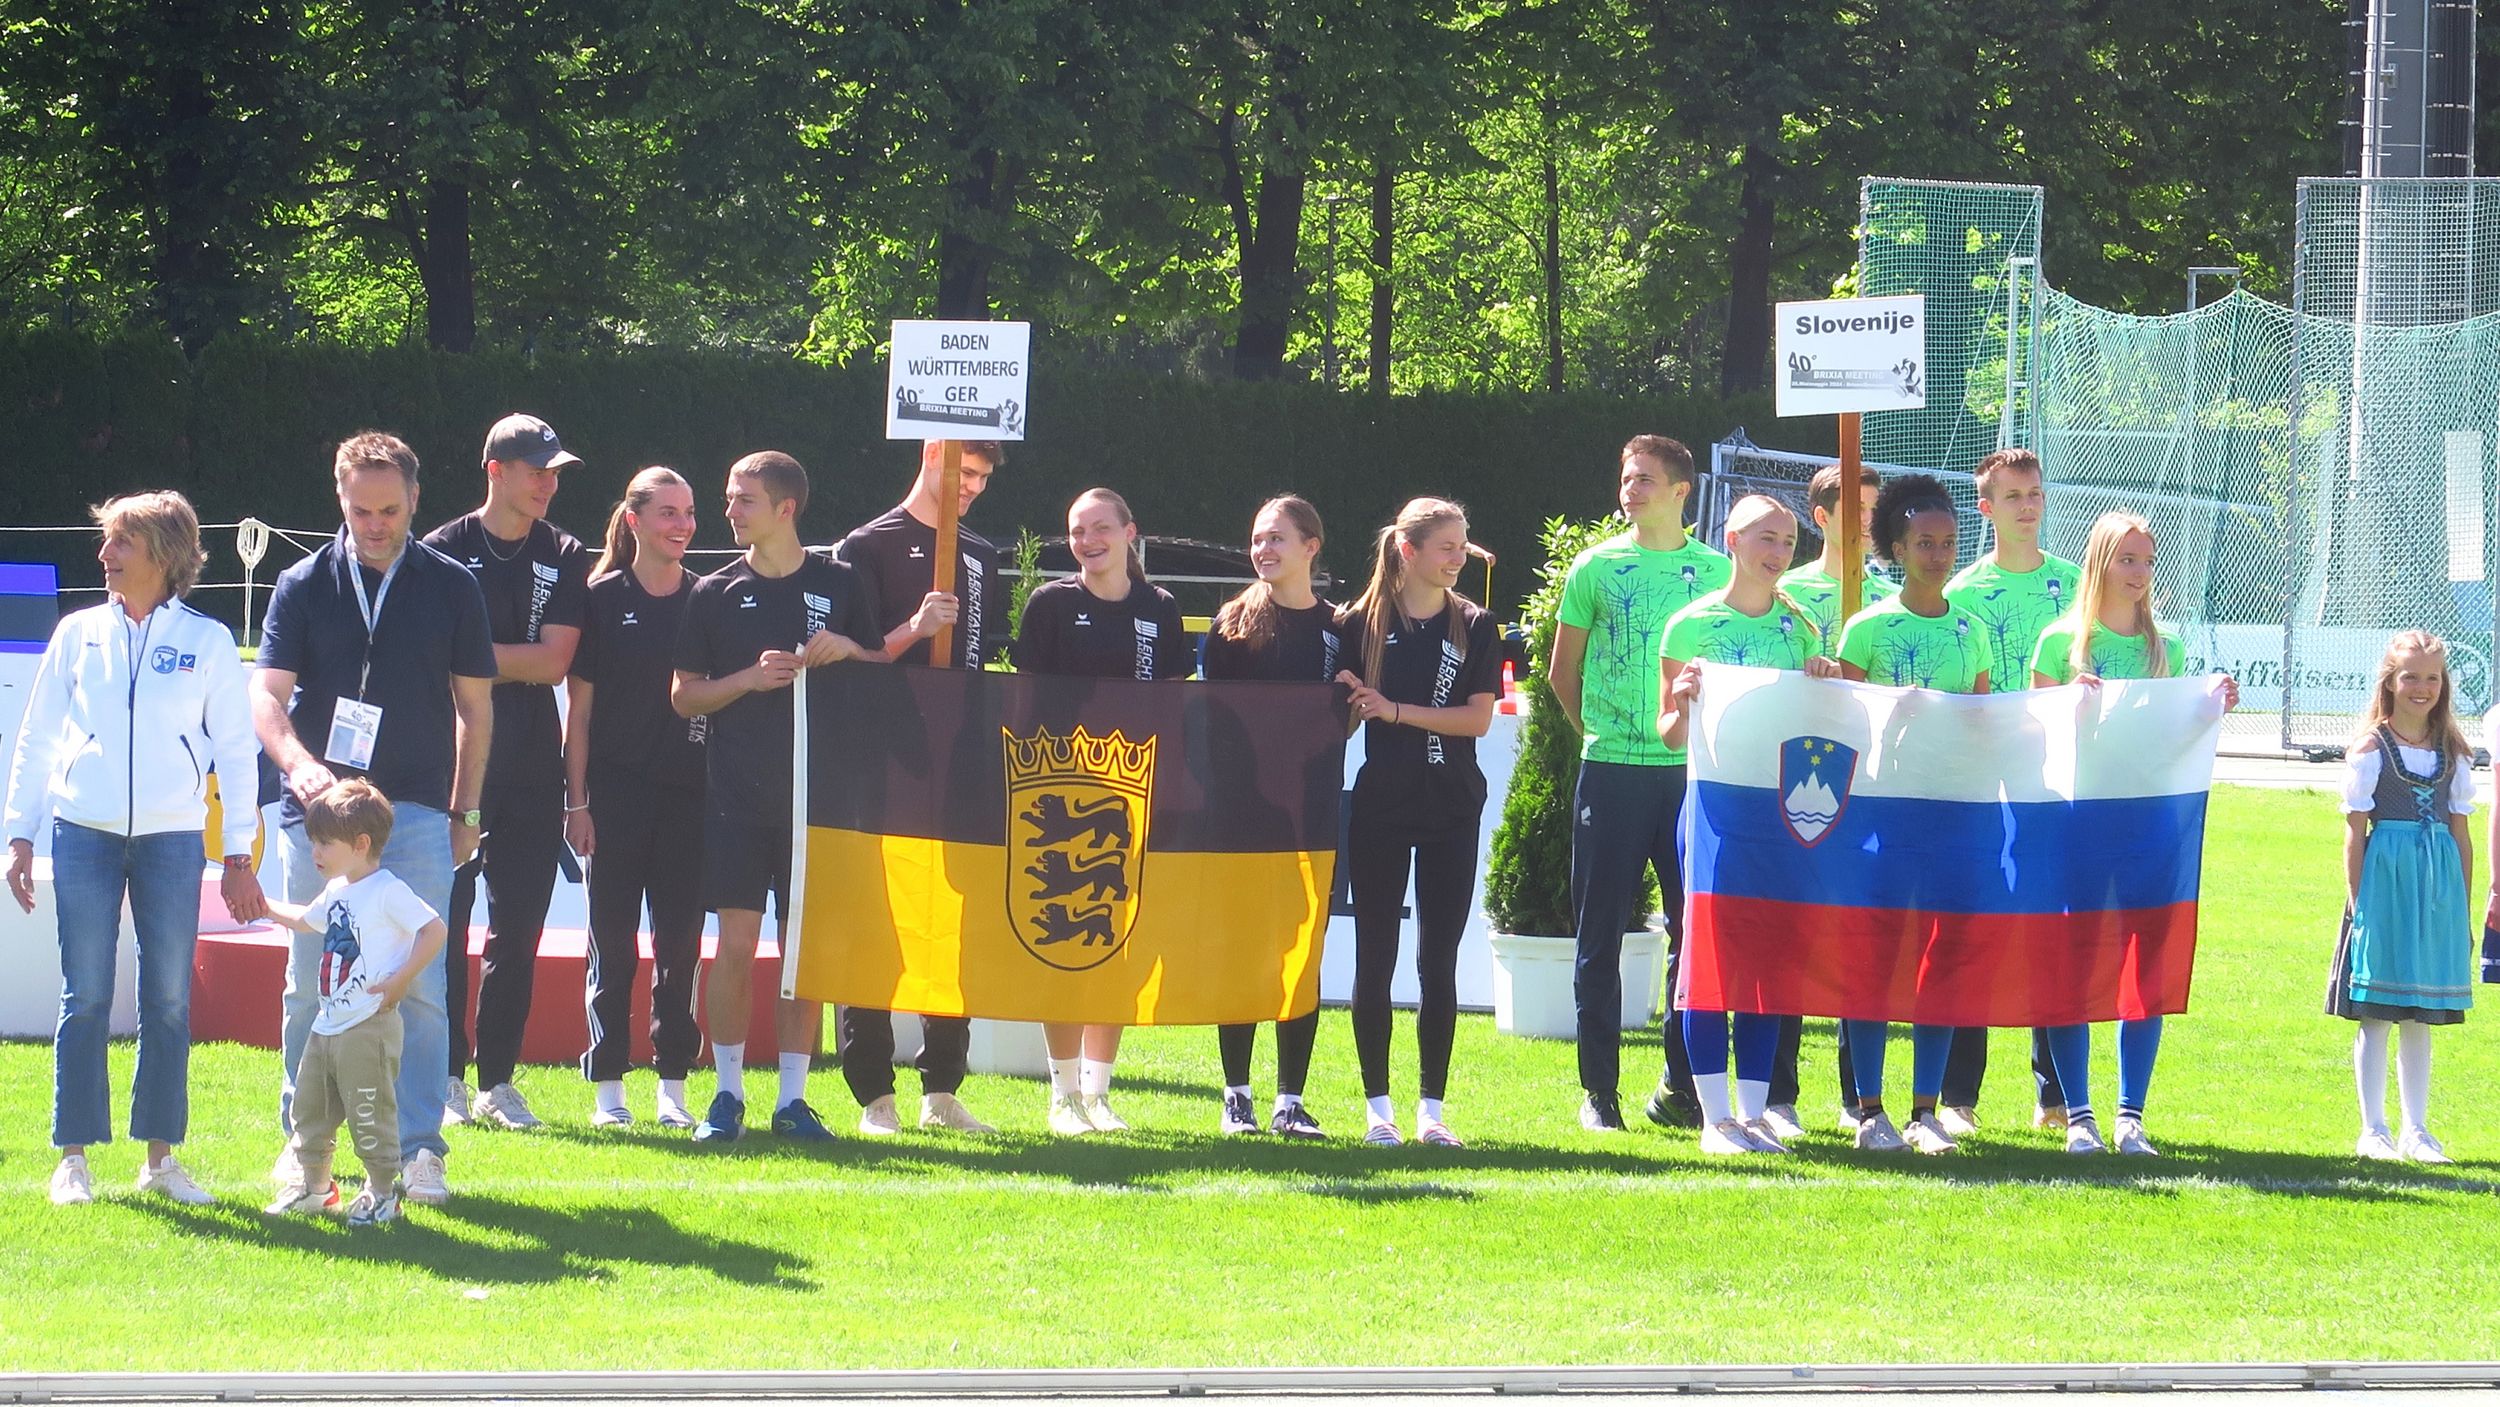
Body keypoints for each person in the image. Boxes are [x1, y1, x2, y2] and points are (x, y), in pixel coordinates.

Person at [5, 490, 268, 1207]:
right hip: (82, 833)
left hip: (174, 840)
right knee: (85, 993)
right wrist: (20, 833)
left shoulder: (210, 641)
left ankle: (160, 1159)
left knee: (169, 999)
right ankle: (73, 1159)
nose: (104, 554)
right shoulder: (76, 633)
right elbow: (37, 737)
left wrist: (238, 854)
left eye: (121, 541)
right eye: (108, 540)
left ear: (164, 552)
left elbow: (236, 751)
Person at [255, 431, 494, 1207]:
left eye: (390, 509)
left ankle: (420, 1149)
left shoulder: (453, 584)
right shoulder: (302, 582)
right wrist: (298, 763)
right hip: (319, 820)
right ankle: (307, 1150)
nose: (376, 524)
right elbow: (267, 696)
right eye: (361, 510)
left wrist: (466, 807)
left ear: (415, 499)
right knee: (310, 982)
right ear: (340, 497)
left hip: (417, 811)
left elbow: (475, 709)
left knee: (419, 986)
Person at [671, 451, 881, 1146]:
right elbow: (684, 696)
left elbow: (881, 669)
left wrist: (848, 648)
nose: (729, 510)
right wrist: (749, 679)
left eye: (744, 500)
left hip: (817, 803)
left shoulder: (840, 581)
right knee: (735, 945)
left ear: (785, 508)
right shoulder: (714, 592)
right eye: (730, 497)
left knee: (801, 954)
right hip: (735, 800)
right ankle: (727, 1093)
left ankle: (793, 1100)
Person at [2029, 511, 2238, 1157]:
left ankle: (2130, 1117)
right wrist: (2065, 706)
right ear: (2098, 562)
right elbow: (2030, 737)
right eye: (2127, 559)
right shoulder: (2058, 644)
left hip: (2148, 826)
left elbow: (2172, 736)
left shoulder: (2166, 647)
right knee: (2073, 965)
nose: (2140, 572)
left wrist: (2210, 706)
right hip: (2075, 824)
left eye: (2147, 561)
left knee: (2144, 966)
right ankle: (2078, 1116)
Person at [1547, 435, 1731, 1135]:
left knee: (1696, 934)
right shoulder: (1594, 567)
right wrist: (1602, 735)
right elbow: (1563, 672)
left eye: (1646, 479)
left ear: (1682, 491)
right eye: (1627, 478)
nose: (1631, 489)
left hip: (1691, 775)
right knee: (1600, 935)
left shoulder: (1718, 571)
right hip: (1613, 772)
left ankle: (1681, 1085)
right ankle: (1600, 1093)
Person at [1653, 495, 1841, 1154]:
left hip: (1783, 814)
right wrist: (1683, 702)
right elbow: (1669, 732)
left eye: (1788, 541)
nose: (1779, 552)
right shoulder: (1689, 625)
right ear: (1731, 540)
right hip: (1714, 811)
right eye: (1767, 538)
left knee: (1771, 960)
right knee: (1708, 959)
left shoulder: (1801, 628)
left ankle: (1754, 1114)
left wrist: (1824, 679)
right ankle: (1715, 1118)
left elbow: (1819, 728)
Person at [827, 439, 1004, 1136]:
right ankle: (875, 1093)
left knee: (954, 923)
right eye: (965, 471)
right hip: (878, 761)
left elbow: (984, 662)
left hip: (959, 764)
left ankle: (943, 1088)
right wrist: (914, 629)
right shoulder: (865, 545)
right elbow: (848, 657)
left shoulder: (981, 555)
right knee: (873, 919)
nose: (972, 487)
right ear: (934, 452)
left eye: (983, 478)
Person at [427, 413, 590, 1132]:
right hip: (457, 760)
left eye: (555, 472)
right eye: (537, 471)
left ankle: (498, 1079)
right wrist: (495, 663)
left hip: (532, 761)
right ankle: (445, 1076)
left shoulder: (565, 550)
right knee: (447, 922)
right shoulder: (441, 549)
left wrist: (472, 660)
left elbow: (554, 662)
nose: (548, 484)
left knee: (518, 928)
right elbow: (433, 659)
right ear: (496, 470)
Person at [1012, 487, 1192, 1135]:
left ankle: (1098, 1092)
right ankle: (1062, 1095)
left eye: (1100, 529)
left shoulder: (1160, 608)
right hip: (1059, 797)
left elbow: (1173, 705)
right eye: (1076, 531)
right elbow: (1025, 703)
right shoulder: (1051, 604)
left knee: (1119, 943)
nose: (1087, 541)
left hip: (1134, 798)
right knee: (1064, 938)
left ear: (1129, 532)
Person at [1833, 473, 1991, 1156]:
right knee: (1874, 960)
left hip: (1949, 815)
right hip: (1878, 818)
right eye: (1924, 543)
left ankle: (1926, 1110)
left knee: (1940, 961)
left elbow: (1983, 722)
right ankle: (1870, 1109)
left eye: (1948, 542)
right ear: (1897, 549)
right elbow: (1839, 724)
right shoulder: (1866, 629)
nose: (1938, 554)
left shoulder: (1972, 631)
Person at [1335, 497, 1500, 1148]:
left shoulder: (1475, 624)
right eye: (1447, 547)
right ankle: (1378, 1111)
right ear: (1408, 551)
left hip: (1452, 808)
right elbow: (1340, 722)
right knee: (1374, 957)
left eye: (1463, 546)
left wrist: (1396, 710)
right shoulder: (1359, 622)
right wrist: (1353, 704)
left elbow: (1478, 720)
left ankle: (1432, 1111)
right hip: (1380, 808)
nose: (1460, 557)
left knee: (1439, 961)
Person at [1944, 446, 2082, 1136]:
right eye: (2012, 496)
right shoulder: (1962, 591)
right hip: (1981, 779)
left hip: (2055, 780)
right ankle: (1957, 1096)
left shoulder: (2076, 584)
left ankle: (2054, 1094)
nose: (2027, 506)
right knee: (1972, 926)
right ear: (1986, 507)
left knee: (2049, 928)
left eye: (2034, 493)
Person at [566, 467, 708, 1130]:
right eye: (668, 513)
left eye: (689, 513)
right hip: (614, 800)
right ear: (635, 521)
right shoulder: (600, 599)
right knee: (613, 947)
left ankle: (673, 1088)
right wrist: (577, 803)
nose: (682, 525)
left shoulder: (706, 597)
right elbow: (580, 716)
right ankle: (608, 1092)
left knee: (679, 946)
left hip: (689, 800)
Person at [1201, 495, 1340, 1139]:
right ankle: (1237, 1096)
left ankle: (1291, 1100)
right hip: (1241, 816)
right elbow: (1209, 723)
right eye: (1257, 538)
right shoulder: (1232, 623)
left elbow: (1348, 714)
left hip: (1311, 814)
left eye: (1277, 538)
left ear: (1312, 547)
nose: (1263, 549)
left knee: (1299, 955)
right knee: (1240, 952)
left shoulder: (1341, 628)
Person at [262, 780, 447, 1227]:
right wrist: (261, 906)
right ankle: (316, 1189)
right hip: (327, 1025)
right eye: (313, 842)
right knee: (309, 1109)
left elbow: (434, 929)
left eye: (325, 843)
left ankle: (382, 1194)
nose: (315, 852)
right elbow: (305, 920)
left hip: (368, 1027)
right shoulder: (337, 890)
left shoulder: (387, 890)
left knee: (369, 1113)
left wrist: (401, 980)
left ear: (361, 844)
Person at [1776, 461, 1894, 1130]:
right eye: (1856, 510)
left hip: (1873, 783)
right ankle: (1779, 1094)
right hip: (1801, 781)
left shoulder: (1890, 596)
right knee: (1793, 933)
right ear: (1821, 517)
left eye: (1875, 510)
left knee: (1859, 935)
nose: (1868, 523)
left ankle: (1858, 1096)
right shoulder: (1785, 593)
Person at [2328, 630, 2476, 1165]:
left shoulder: (2452, 752)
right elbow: (2354, 830)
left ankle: (2418, 1128)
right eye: (2410, 676)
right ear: (2390, 681)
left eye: (2432, 677)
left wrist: (2459, 908)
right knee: (2378, 1011)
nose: (2422, 687)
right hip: (2386, 881)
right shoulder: (2371, 748)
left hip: (2436, 886)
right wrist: (2357, 902)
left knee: (2420, 1012)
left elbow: (2461, 834)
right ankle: (2374, 1129)